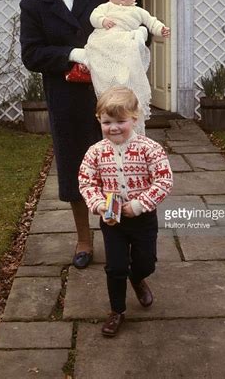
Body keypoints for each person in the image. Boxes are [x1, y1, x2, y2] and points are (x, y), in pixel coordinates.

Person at [19, 0, 110, 269]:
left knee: (112, 165)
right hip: (66, 99)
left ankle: (114, 233)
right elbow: (31, 55)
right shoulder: (33, 4)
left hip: (108, 95)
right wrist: (74, 53)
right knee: (76, 168)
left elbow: (132, 25)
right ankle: (84, 240)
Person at [78, 86, 173, 336]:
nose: (114, 128)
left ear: (135, 118)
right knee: (115, 267)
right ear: (99, 120)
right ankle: (117, 311)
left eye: (121, 121)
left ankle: (138, 277)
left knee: (146, 263)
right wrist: (99, 204)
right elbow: (87, 183)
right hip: (113, 223)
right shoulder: (96, 153)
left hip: (143, 219)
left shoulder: (149, 149)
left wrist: (138, 205)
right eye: (107, 122)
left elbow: (163, 181)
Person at [71, 0, 171, 134]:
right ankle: (106, 79)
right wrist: (102, 21)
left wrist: (161, 29)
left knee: (128, 64)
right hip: (105, 38)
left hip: (125, 39)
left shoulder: (138, 11)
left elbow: (152, 21)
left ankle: (123, 85)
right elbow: (93, 16)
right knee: (98, 51)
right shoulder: (106, 7)